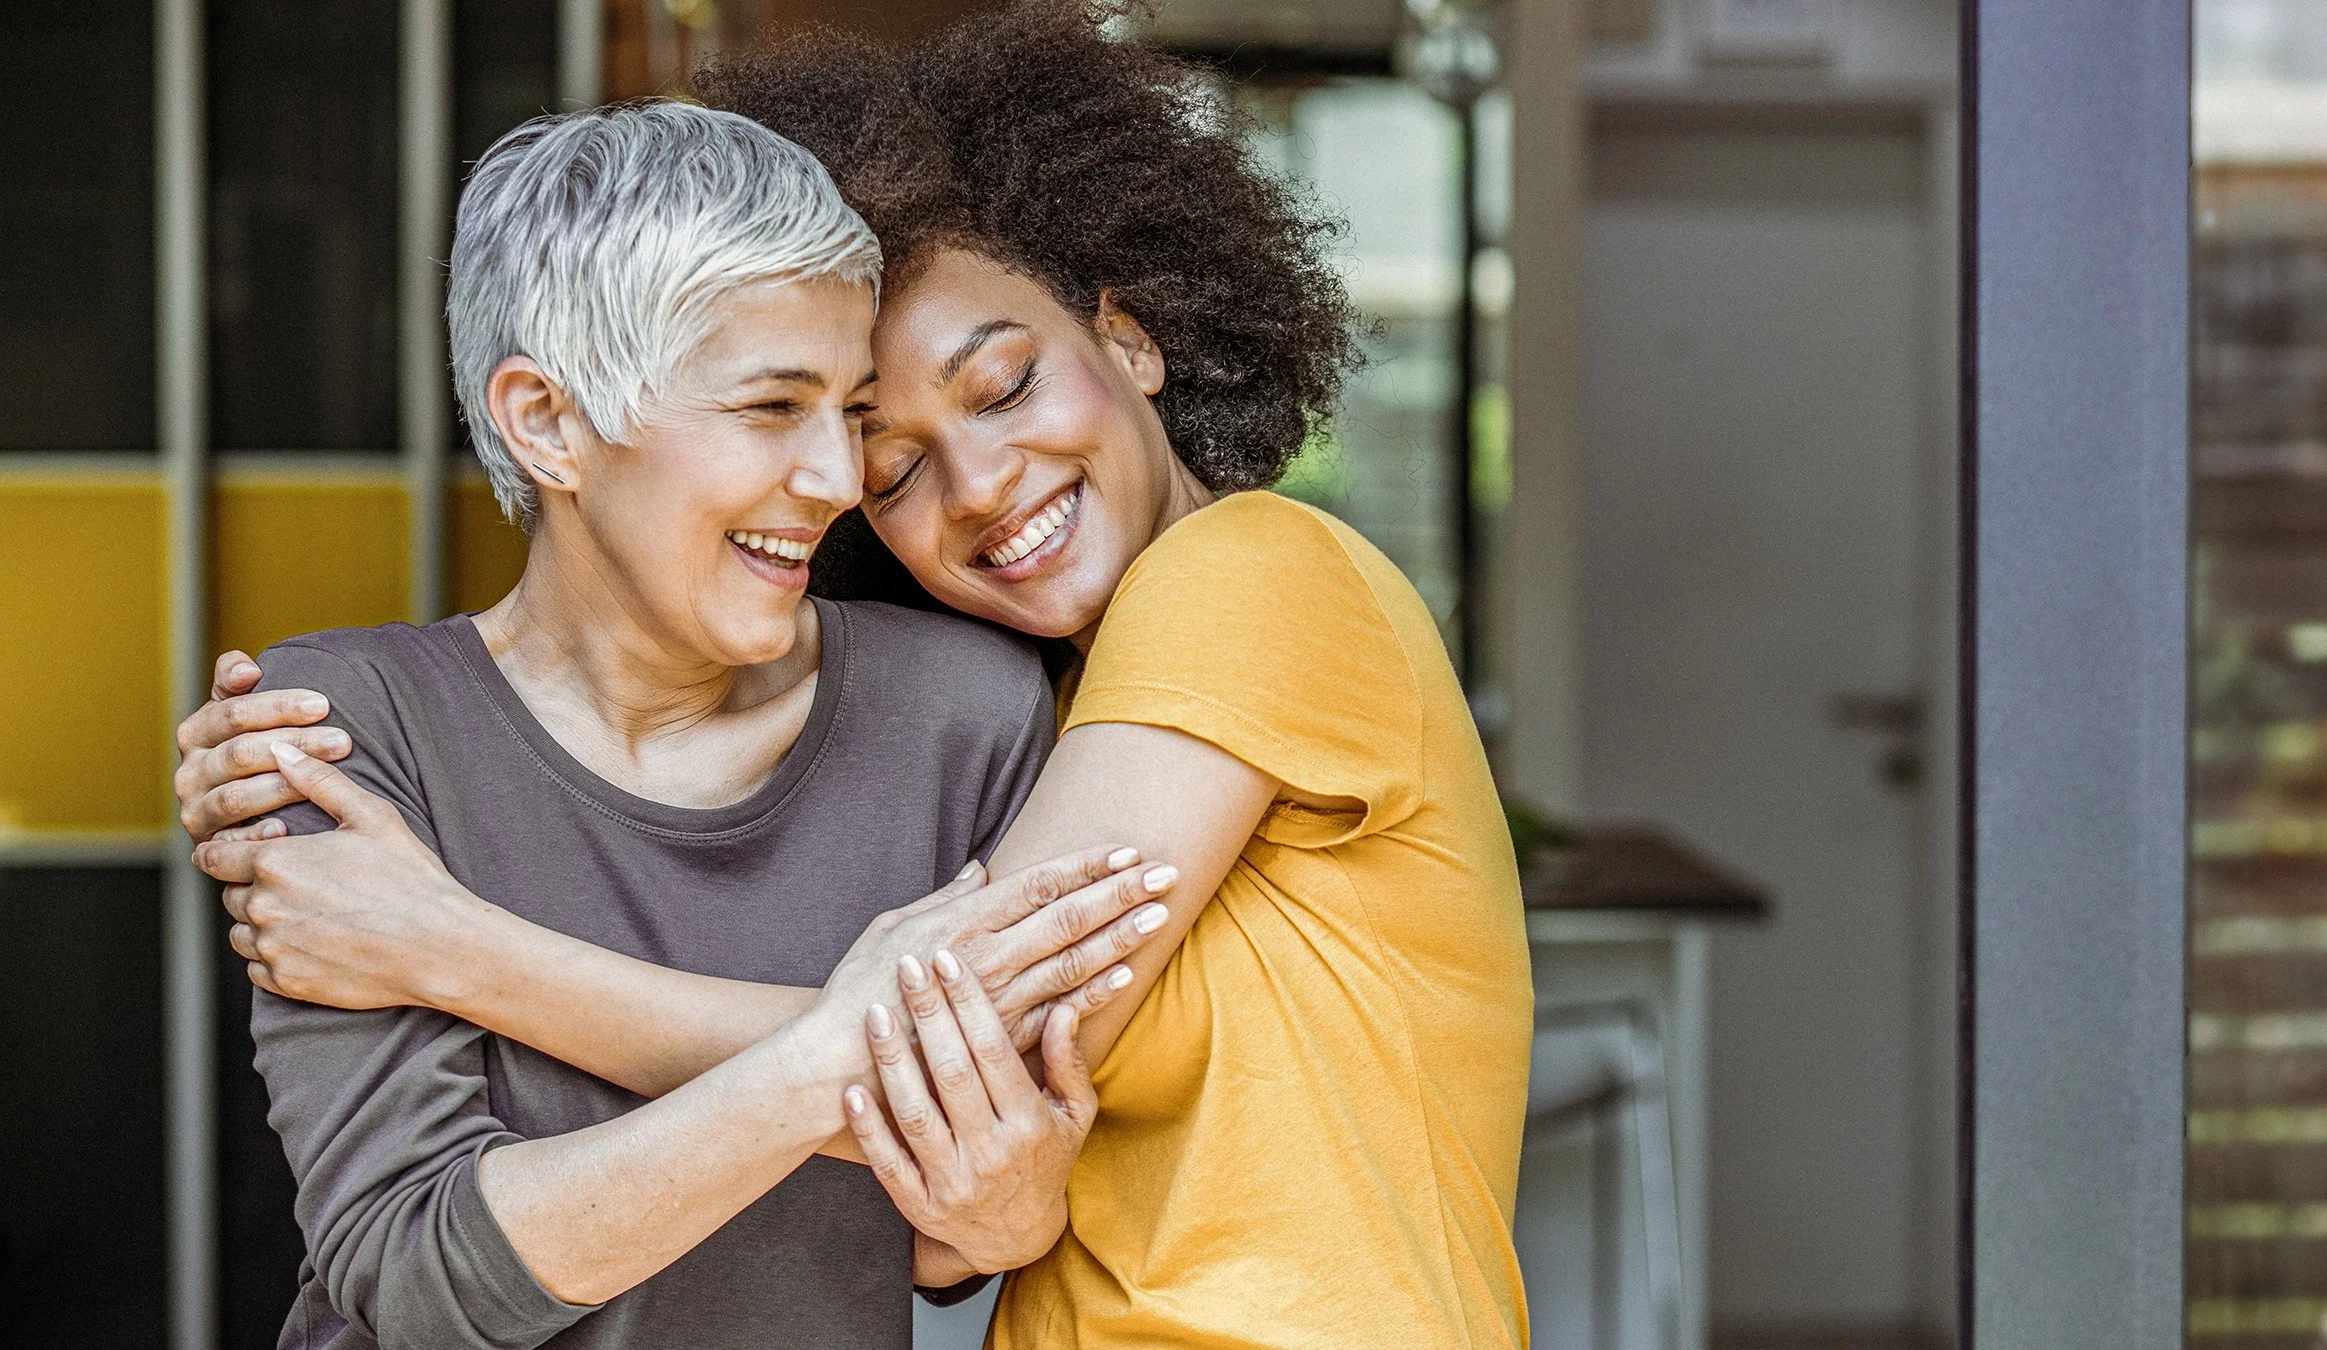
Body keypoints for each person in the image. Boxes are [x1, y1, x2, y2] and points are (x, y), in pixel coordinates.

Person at [180, 5, 1537, 1345]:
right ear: (551, 423)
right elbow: (944, 1183)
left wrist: (449, 946)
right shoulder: (1038, 700)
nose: (968, 481)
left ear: (1131, 337)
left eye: (1003, 386)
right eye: (883, 458)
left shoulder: (1242, 572)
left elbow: (968, 1069)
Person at [181, 100, 1184, 1350]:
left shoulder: (960, 713)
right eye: (771, 408)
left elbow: (963, 1229)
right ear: (546, 423)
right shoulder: (343, 734)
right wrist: (845, 1061)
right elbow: (423, 1278)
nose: (836, 477)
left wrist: (1004, 1207)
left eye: (852, 410)